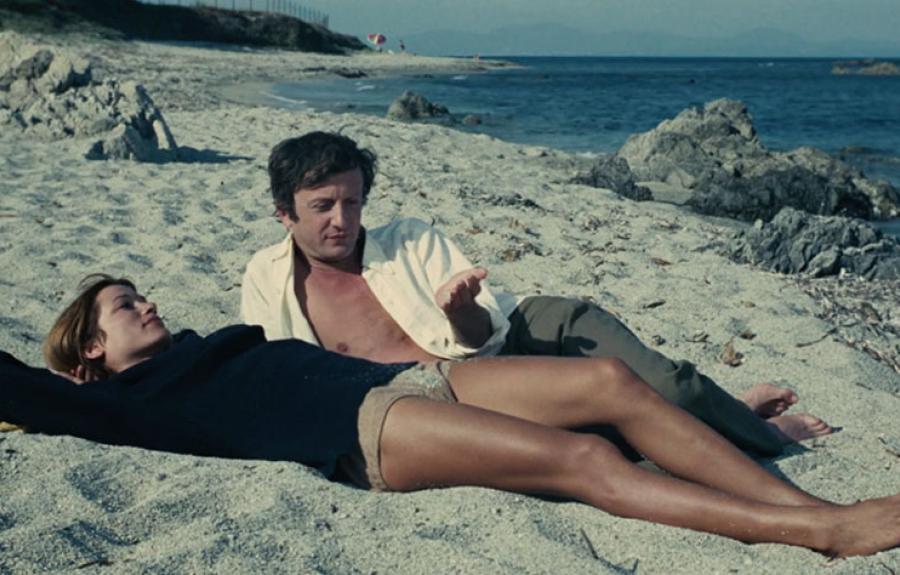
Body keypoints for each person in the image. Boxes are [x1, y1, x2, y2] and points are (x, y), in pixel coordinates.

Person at [8, 273, 899, 558]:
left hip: (415, 377)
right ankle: (821, 533)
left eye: (139, 294)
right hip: (364, 432)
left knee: (611, 384)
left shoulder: (196, 347)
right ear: (87, 351)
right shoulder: (116, 404)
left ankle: (807, 505)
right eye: (123, 307)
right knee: (586, 463)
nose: (146, 304)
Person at [241, 131, 831, 457]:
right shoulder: (268, 281)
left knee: (668, 385)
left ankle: (761, 432)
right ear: (283, 213)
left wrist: (460, 310)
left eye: (353, 202)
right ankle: (737, 413)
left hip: (521, 329)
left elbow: (483, 334)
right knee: (619, 436)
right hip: (464, 394)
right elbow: (278, 380)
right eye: (323, 206)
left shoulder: (408, 239)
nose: (343, 220)